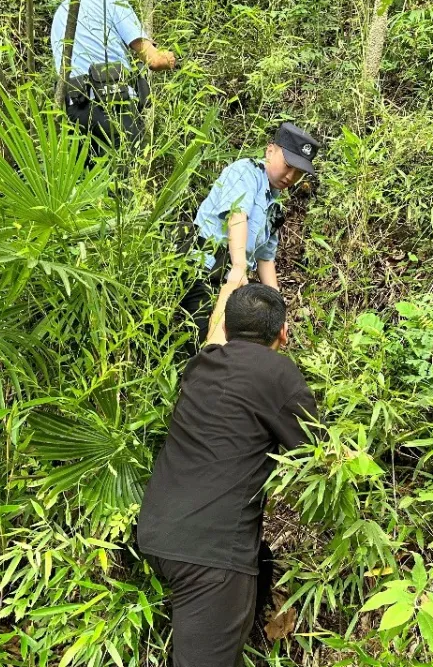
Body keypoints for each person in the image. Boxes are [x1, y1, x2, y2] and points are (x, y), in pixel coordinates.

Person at [137, 283, 318, 667]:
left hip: (158, 531)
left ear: (228, 329)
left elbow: (216, 333)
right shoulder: (279, 373)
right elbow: (316, 451)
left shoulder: (203, 363)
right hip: (210, 554)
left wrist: (232, 279)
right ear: (283, 332)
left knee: (260, 564)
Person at [180, 122, 322, 355]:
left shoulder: (274, 204)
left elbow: (266, 258)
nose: (291, 176)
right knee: (204, 346)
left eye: (298, 172)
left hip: (234, 279)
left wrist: (279, 311)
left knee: (238, 345)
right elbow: (238, 214)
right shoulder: (245, 172)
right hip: (203, 270)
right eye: (288, 166)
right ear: (270, 151)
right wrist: (238, 266)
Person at [50, 0, 175, 153]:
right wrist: (169, 59)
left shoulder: (63, 9)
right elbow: (153, 60)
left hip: (74, 111)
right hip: (114, 108)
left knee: (88, 182)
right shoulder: (113, 0)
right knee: (125, 180)